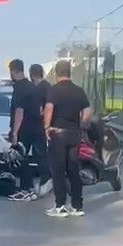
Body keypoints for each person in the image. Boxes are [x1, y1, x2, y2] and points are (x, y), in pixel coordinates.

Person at [43, 60, 92, 218]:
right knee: (73, 170)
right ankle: (77, 206)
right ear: (70, 72)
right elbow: (88, 110)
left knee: (58, 170)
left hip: (58, 134)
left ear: (56, 73)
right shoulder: (79, 91)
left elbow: (49, 108)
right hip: (74, 134)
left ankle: (60, 206)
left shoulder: (54, 90)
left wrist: (47, 127)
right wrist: (83, 123)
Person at [7, 60, 50, 202]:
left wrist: (15, 132)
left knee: (20, 158)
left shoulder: (19, 88)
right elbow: (41, 108)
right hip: (37, 127)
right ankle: (36, 186)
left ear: (13, 71)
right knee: (38, 157)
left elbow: (19, 111)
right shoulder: (32, 87)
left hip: (24, 129)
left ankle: (26, 189)